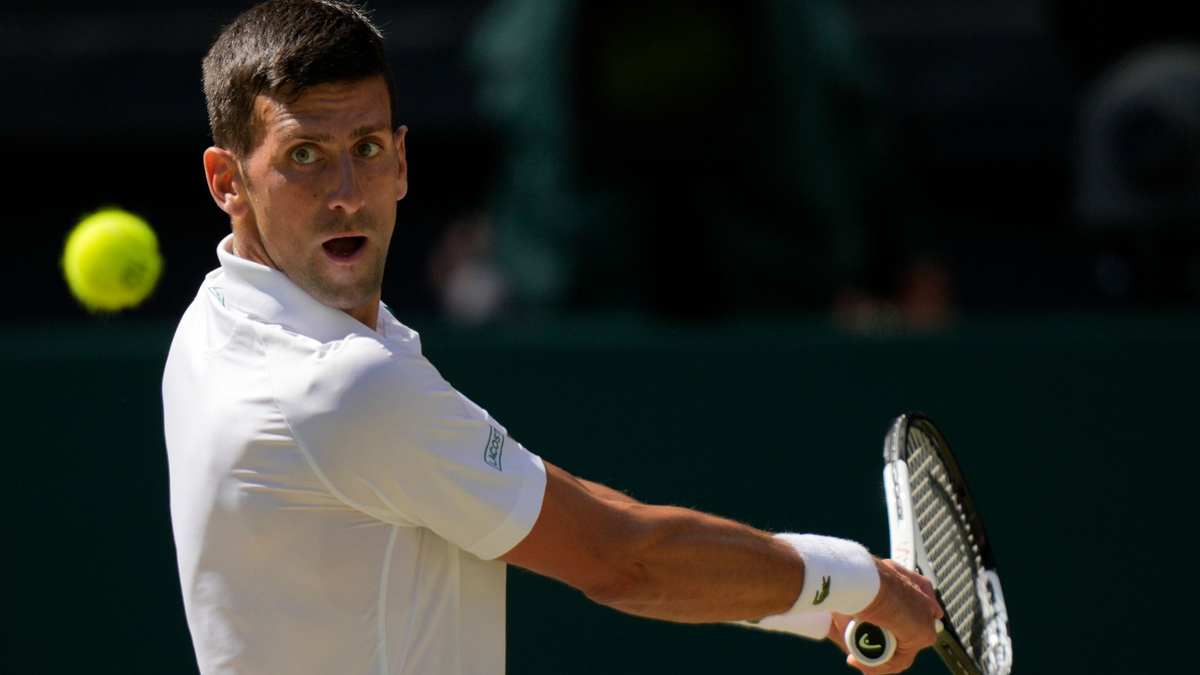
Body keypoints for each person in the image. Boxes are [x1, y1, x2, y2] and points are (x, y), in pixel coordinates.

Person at [161, 2, 942, 674]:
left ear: (401, 162)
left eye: (364, 149)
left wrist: (813, 607)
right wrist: (858, 582)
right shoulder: (341, 387)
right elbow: (621, 557)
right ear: (227, 181)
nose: (345, 194)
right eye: (304, 157)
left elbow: (554, 498)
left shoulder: (215, 323)